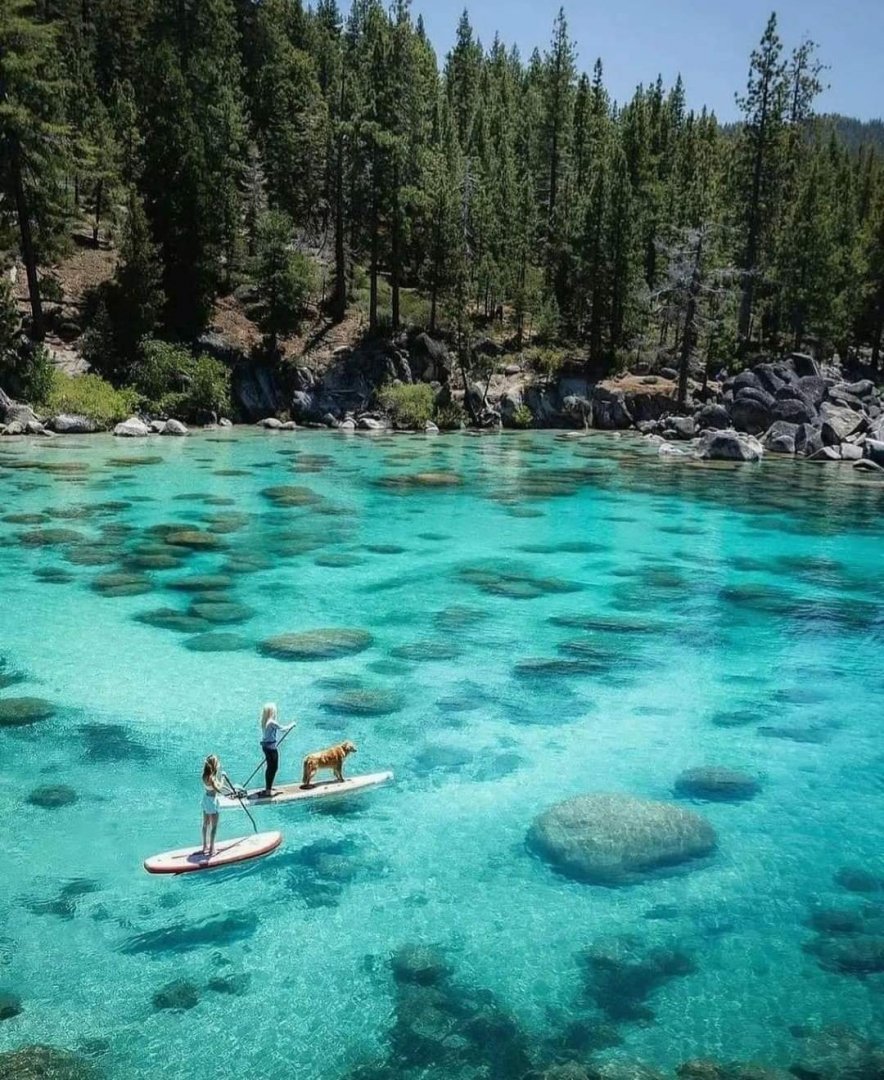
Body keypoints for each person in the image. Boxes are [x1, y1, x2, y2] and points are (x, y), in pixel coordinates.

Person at [259, 703, 295, 797]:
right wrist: (292, 725)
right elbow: (283, 729)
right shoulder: (271, 722)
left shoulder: (264, 721)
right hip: (271, 749)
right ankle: (269, 791)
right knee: (273, 768)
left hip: (266, 747)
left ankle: (268, 788)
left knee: (269, 768)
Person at [201, 754, 230, 857]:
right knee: (214, 826)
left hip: (205, 800)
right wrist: (223, 778)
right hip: (212, 802)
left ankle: (204, 845)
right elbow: (219, 788)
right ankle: (212, 849)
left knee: (205, 824)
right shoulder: (213, 779)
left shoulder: (204, 776)